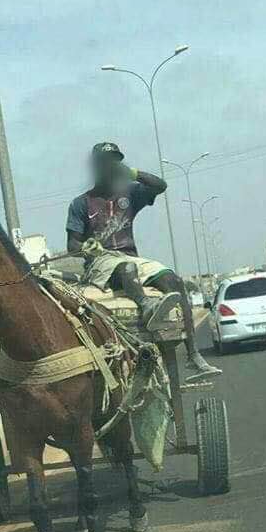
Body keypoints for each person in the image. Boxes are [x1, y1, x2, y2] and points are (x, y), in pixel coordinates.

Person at [66, 142, 220, 378]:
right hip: (101, 262)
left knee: (174, 282)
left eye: (115, 162)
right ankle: (148, 307)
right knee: (126, 268)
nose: (111, 167)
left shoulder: (129, 193)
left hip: (130, 257)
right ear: (96, 167)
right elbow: (72, 245)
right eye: (106, 163)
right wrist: (86, 248)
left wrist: (134, 174)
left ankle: (193, 356)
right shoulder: (81, 203)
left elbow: (160, 186)